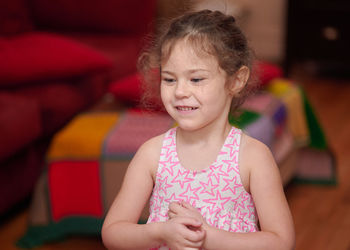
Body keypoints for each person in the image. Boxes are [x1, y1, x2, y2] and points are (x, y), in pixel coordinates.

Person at [102, 9, 295, 250]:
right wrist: (160, 232)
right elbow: (113, 232)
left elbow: (281, 242)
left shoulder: (253, 157)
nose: (180, 91)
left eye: (196, 79)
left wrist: (207, 237)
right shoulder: (152, 154)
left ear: (235, 80)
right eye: (170, 79)